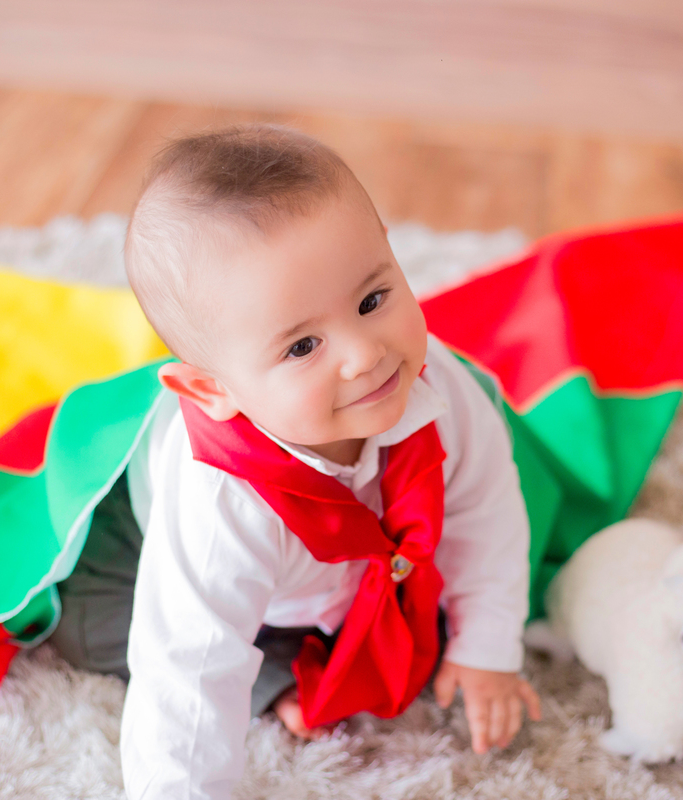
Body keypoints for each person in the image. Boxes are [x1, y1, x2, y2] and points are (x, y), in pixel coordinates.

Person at [51, 124, 539, 800]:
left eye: (373, 300)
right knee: (87, 622)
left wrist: (486, 647)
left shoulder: (442, 389)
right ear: (212, 390)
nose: (365, 354)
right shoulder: (220, 500)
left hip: (342, 562)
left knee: (502, 560)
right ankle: (278, 674)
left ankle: (324, 635)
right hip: (148, 540)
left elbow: (486, 512)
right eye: (303, 346)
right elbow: (187, 676)